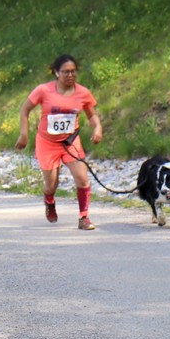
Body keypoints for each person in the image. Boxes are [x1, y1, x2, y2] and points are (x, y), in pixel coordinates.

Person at [14, 54, 104, 230]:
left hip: (70, 142)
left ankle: (84, 217)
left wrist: (98, 128)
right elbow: (25, 110)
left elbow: (91, 114)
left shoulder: (83, 93)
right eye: (65, 72)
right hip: (47, 142)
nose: (70, 75)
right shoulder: (43, 90)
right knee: (51, 184)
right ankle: (49, 200)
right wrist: (24, 135)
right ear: (56, 72)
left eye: (73, 71)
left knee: (82, 178)